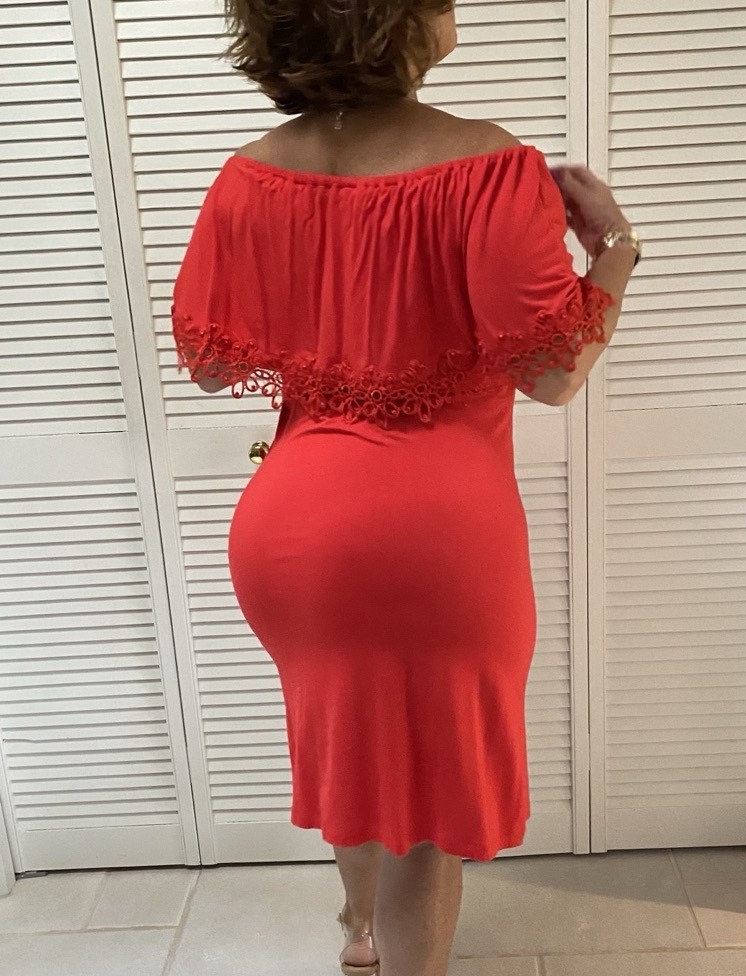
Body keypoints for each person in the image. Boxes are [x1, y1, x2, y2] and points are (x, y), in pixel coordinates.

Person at [170, 2, 641, 974]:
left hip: (290, 534)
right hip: (437, 540)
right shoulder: (491, 166)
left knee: (355, 754)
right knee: (427, 812)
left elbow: (210, 367)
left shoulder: (249, 176)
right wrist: (615, 255)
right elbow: (554, 374)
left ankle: (359, 933)